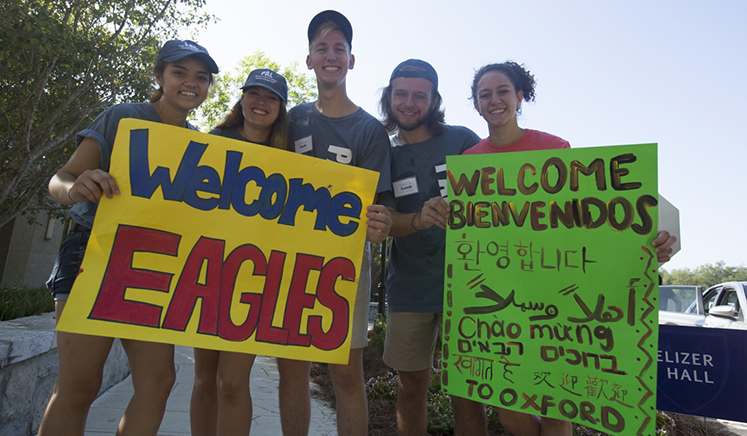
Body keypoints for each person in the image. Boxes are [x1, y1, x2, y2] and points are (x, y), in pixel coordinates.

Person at [460, 61, 675, 436]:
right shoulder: (468, 164)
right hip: (500, 300)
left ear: (521, 96)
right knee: (510, 414)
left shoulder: (554, 148)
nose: (494, 100)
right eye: (485, 95)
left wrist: (644, 245)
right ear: (477, 105)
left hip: (554, 297)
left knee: (557, 409)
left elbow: (585, 222)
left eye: (503, 91)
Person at [39, 40, 218, 436]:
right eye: (180, 73)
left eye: (201, 78)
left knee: (158, 382)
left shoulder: (204, 147)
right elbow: (60, 179)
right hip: (94, 252)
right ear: (159, 76)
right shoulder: (122, 117)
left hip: (155, 266)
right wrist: (76, 187)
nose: (191, 83)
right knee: (79, 385)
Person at [277, 10, 392, 436]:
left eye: (339, 49)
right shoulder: (290, 121)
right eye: (321, 48)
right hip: (286, 264)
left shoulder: (370, 131)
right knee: (292, 372)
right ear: (308, 59)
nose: (330, 56)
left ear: (351, 60)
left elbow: (377, 213)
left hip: (344, 270)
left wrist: (379, 224)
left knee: (345, 375)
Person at [376, 59, 489, 435]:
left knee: (466, 393)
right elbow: (384, 221)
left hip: (472, 288)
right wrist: (419, 220)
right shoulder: (384, 155)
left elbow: (513, 198)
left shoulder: (462, 140)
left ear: (434, 99)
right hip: (410, 289)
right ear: (389, 98)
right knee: (410, 388)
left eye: (419, 95)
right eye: (401, 94)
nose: (409, 102)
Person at [189, 68, 289, 436]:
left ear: (280, 107)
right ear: (242, 97)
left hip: (254, 278)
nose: (261, 103)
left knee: (231, 382)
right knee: (204, 379)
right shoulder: (214, 141)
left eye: (271, 98)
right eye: (255, 94)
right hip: (207, 272)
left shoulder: (290, 156)